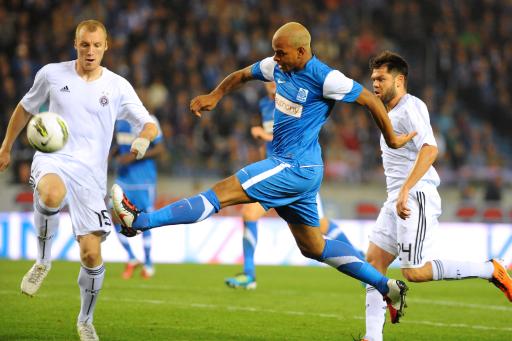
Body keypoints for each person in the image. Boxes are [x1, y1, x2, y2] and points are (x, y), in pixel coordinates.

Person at [112, 22, 415, 321]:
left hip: (293, 166)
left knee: (219, 193)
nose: (276, 59)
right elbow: (243, 74)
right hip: (302, 170)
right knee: (314, 246)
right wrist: (215, 95)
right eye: (274, 53)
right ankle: (386, 286)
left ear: (301, 51)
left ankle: (140, 221)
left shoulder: (326, 78)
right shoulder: (278, 67)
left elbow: (370, 100)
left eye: (281, 53)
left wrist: (391, 138)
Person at [0, 20, 157, 341]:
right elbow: (24, 108)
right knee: (51, 194)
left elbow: (148, 123)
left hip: (91, 177)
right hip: (53, 157)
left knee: (91, 255)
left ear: (105, 47)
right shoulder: (51, 74)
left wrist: (142, 140)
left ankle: (85, 320)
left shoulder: (117, 86)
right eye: (84, 44)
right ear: (76, 45)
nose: (90, 51)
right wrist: (5, 147)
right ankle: (43, 260)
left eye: (96, 45)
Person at [362, 51, 512, 341]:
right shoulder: (389, 112)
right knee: (373, 264)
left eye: (381, 78)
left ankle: (491, 270)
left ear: (400, 80)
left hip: (414, 196)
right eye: (373, 79)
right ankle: (373, 336)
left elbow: (430, 149)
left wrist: (406, 189)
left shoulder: (410, 106)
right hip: (397, 198)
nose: (375, 84)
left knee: (414, 272)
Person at [225, 81, 364, 289]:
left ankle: (358, 259)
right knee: (249, 214)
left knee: (321, 226)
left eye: (275, 80)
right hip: (274, 174)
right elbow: (269, 145)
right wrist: (264, 157)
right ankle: (249, 275)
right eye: (268, 81)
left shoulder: (292, 102)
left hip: (296, 172)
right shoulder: (265, 105)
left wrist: (265, 135)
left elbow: (295, 135)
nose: (272, 85)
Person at [112, 116, 165, 279]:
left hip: (144, 181)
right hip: (123, 178)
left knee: (145, 220)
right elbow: (119, 146)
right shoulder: (118, 121)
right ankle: (131, 257)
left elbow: (160, 149)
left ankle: (148, 263)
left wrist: (134, 157)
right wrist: (112, 153)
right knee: (114, 216)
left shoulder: (150, 121)